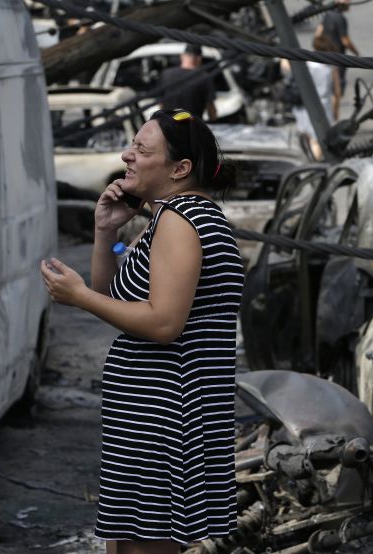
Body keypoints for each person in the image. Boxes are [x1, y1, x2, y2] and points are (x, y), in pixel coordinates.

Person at [40, 109, 243, 554]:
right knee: (128, 545)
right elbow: (115, 295)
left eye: (141, 149)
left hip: (164, 419)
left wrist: (78, 297)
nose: (125, 155)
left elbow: (164, 323)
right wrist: (106, 233)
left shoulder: (180, 220)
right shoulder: (179, 217)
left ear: (180, 169)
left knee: (141, 548)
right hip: (154, 417)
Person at [281, 35, 342, 160]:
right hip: (322, 108)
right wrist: (336, 110)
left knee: (306, 137)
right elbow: (337, 92)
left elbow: (285, 67)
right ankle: (312, 165)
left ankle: (306, 161)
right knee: (318, 140)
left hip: (302, 107)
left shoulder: (305, 64)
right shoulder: (330, 67)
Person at [158, 44, 217, 120]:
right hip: (191, 128)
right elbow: (211, 110)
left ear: (182, 56)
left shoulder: (166, 74)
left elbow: (160, 104)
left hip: (168, 126)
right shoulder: (204, 77)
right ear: (199, 59)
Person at [315, 0, 359, 93]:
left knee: (324, 84)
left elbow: (318, 32)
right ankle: (333, 107)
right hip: (337, 58)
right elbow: (345, 41)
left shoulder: (328, 14)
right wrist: (356, 52)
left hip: (324, 55)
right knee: (336, 90)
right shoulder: (341, 18)